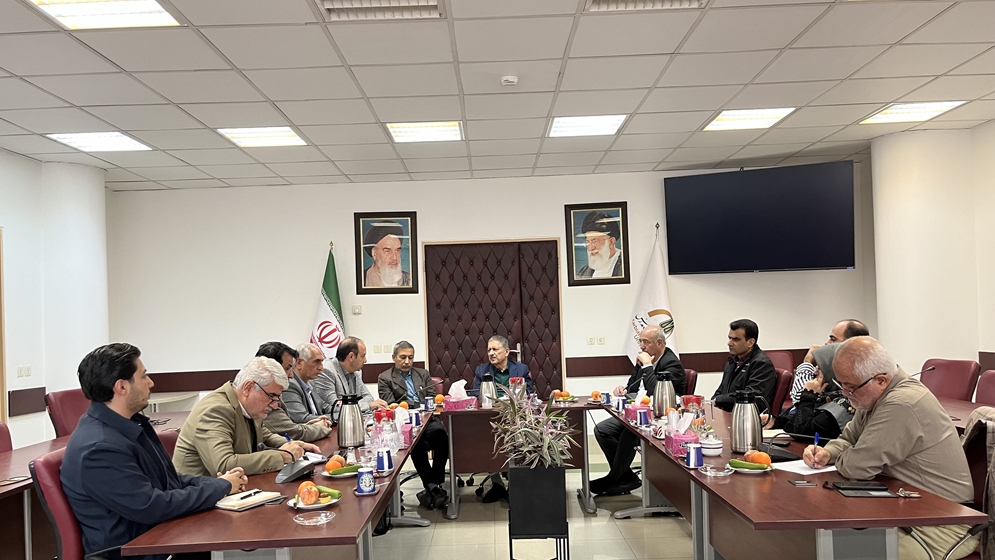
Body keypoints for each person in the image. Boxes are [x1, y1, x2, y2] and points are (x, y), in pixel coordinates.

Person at [62, 343, 247, 560]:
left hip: (161, 537)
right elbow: (152, 506)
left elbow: (168, 479)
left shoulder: (129, 425)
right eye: (144, 376)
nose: (151, 382)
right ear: (122, 387)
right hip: (137, 551)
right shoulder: (100, 449)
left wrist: (219, 483)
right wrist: (220, 487)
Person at [804, 337, 978, 560]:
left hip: (941, 523)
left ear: (881, 380)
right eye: (842, 385)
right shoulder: (871, 394)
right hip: (905, 507)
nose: (845, 394)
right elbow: (849, 438)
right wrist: (828, 452)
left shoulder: (901, 403)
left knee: (841, 551)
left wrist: (849, 454)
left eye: (850, 387)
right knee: (820, 539)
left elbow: (858, 467)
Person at [173, 357, 320, 477]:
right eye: (271, 397)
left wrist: (295, 445)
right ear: (248, 387)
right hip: (199, 496)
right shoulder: (215, 410)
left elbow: (264, 435)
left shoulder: (249, 406)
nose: (275, 405)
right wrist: (281, 456)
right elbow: (224, 465)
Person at [591, 325, 685, 495]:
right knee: (602, 430)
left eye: (646, 342)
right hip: (637, 413)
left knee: (629, 432)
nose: (641, 346)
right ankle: (626, 477)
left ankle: (614, 479)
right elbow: (634, 385)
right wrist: (623, 390)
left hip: (658, 418)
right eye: (640, 341)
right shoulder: (644, 359)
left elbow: (657, 392)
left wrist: (648, 365)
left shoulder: (671, 363)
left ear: (659, 342)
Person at [377, 341, 450, 510]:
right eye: (403, 357)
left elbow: (432, 397)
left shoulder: (423, 374)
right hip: (404, 421)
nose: (407, 361)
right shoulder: (385, 378)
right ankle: (433, 487)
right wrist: (415, 404)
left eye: (410, 357)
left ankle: (435, 483)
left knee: (441, 434)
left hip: (427, 418)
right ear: (394, 357)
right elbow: (391, 403)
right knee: (414, 442)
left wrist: (413, 404)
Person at [771, 343, 853, 439]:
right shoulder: (829, 395)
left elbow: (802, 431)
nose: (815, 371)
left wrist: (808, 396)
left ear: (833, 372)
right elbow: (801, 420)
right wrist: (776, 422)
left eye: (820, 368)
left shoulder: (845, 404)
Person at [256, 341, 331, 443]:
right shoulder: (265, 395)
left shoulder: (309, 382)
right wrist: (321, 427)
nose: (291, 375)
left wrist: (308, 426)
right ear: (270, 369)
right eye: (288, 368)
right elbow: (294, 432)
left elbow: (274, 435)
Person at [789, 320, 870, 405]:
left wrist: (807, 362)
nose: (827, 343)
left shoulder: (845, 373)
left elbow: (800, 398)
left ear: (849, 344)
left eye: (833, 339)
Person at [312, 336, 388, 419]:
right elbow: (334, 408)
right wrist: (368, 406)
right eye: (363, 356)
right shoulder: (327, 371)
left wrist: (351, 404)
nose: (365, 360)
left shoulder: (356, 371)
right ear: (351, 356)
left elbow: (369, 397)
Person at [712, 319, 777, 412]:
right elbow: (721, 390)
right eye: (729, 338)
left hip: (746, 416)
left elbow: (750, 397)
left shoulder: (761, 364)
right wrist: (712, 402)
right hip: (729, 412)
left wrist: (718, 400)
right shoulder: (732, 361)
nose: (729, 343)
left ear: (750, 342)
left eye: (735, 339)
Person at [576, 211, 623, 279]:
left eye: (595, 241)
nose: (591, 248)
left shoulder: (624, 265)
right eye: (588, 242)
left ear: (611, 241)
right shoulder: (584, 272)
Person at [363, 220, 411, 287]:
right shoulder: (363, 279)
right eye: (387, 251)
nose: (394, 257)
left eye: (397, 250)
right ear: (374, 253)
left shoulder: (409, 279)